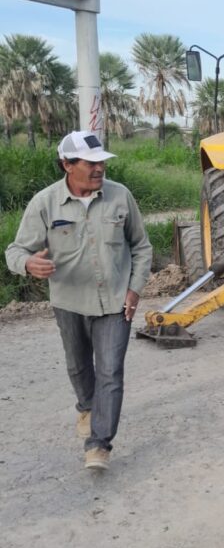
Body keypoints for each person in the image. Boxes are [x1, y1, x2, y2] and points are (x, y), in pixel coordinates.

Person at [5, 131, 152, 472]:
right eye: (90, 163)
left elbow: (141, 247)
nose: (99, 168)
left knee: (111, 371)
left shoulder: (120, 196)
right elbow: (16, 250)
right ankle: (87, 406)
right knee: (78, 366)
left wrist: (135, 290)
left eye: (101, 162)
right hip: (69, 301)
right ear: (67, 165)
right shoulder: (45, 203)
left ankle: (99, 443)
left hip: (116, 300)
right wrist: (28, 264)